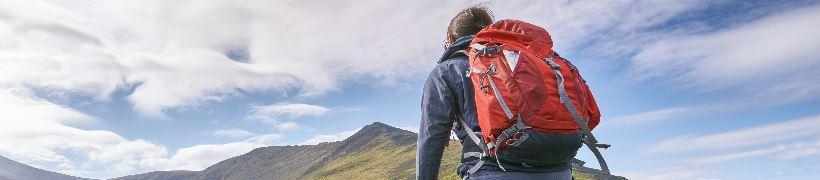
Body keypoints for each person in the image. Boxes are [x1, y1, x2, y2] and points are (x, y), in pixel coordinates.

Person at [416, 6, 575, 180]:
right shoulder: (525, 62)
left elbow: (432, 137)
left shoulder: (446, 71)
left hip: (491, 170)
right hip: (560, 171)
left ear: (450, 38)